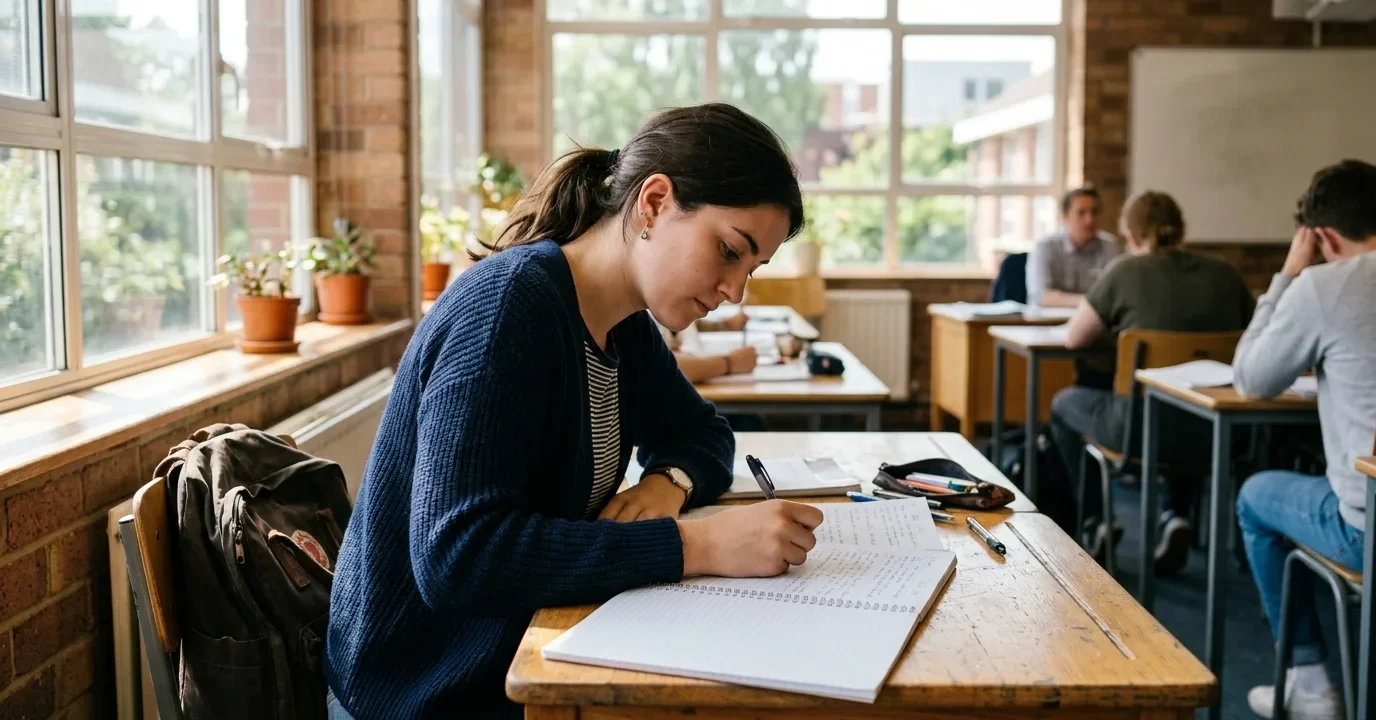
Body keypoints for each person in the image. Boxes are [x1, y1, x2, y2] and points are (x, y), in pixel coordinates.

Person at [324, 103, 826, 720]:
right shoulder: (510, 310)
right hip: (427, 690)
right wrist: (692, 545)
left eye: (751, 268)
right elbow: (457, 557)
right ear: (654, 202)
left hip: (529, 652)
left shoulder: (624, 325)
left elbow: (700, 431)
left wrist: (672, 483)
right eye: (728, 251)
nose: (735, 292)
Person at [1233, 159, 1376, 720]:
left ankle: (1312, 685)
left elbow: (1251, 379)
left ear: (1321, 236)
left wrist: (1288, 275)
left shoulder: (1325, 285)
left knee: (1254, 496)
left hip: (1366, 526)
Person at [1045, 190, 1253, 574]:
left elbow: (1075, 338)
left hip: (1137, 429)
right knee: (1183, 400)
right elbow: (1254, 335)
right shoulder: (1225, 273)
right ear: (1182, 229)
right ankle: (1176, 515)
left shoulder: (1124, 271)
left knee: (1063, 404)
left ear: (1131, 233)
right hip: (1220, 432)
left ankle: (1096, 520)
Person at [1025, 186, 1120, 309]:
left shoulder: (1109, 246)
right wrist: (1090, 302)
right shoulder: (1045, 247)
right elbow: (1041, 296)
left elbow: (1116, 294)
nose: (1089, 220)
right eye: (1081, 213)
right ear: (1065, 217)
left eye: (1094, 212)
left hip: (1094, 323)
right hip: (1047, 322)